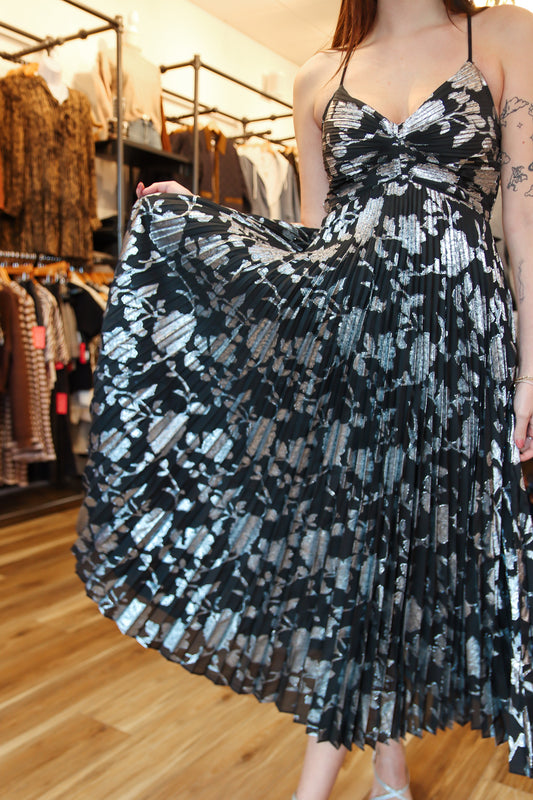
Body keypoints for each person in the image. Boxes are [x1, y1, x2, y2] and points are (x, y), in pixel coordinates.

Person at [73, 1, 533, 798]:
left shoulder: (500, 33)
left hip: (458, 338)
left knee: (412, 549)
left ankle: (375, 769)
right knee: (356, 552)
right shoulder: (319, 74)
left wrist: (530, 371)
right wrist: (196, 223)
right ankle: (359, 775)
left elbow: (523, 218)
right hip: (351, 338)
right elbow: (313, 245)